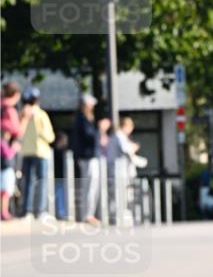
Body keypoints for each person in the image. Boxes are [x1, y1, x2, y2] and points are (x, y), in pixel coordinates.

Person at [19, 88, 55, 219]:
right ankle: (39, 211)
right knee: (41, 182)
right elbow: (50, 136)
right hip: (41, 152)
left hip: (26, 152)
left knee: (28, 182)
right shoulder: (41, 115)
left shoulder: (21, 114)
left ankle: (27, 211)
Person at [107, 116, 147, 224]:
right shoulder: (119, 136)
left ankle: (121, 215)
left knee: (123, 194)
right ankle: (119, 216)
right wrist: (134, 147)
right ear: (126, 126)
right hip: (118, 172)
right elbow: (125, 149)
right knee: (120, 194)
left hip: (121, 171)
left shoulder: (119, 136)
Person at [70, 93, 101, 225]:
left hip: (87, 156)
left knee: (91, 185)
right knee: (89, 185)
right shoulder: (83, 119)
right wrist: (100, 130)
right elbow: (89, 136)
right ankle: (87, 215)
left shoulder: (84, 118)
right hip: (87, 157)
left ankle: (88, 214)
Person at [1, 82, 29, 220]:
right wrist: (24, 119)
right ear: (16, 95)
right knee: (6, 181)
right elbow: (17, 131)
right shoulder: (9, 109)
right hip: (6, 150)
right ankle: (4, 211)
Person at [1, 126, 19, 220]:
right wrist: (14, 148)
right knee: (5, 193)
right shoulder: (2, 143)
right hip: (4, 171)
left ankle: (4, 212)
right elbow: (8, 155)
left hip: (5, 171)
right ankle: (4, 212)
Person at [53, 132, 69, 219]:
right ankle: (61, 213)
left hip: (61, 177)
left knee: (60, 195)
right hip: (58, 177)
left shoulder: (60, 152)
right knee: (60, 195)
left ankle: (61, 213)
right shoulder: (59, 152)